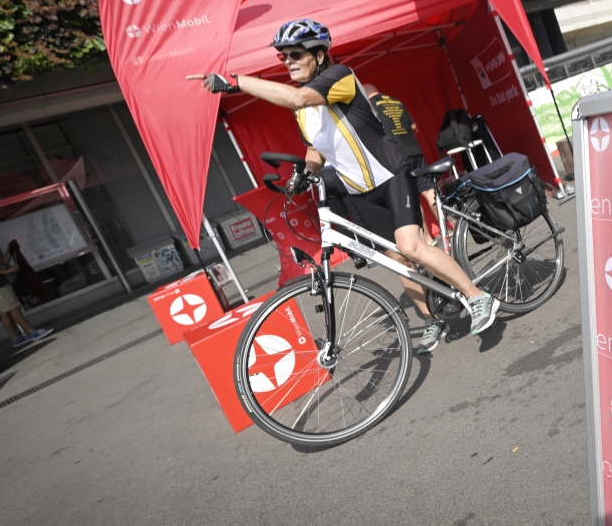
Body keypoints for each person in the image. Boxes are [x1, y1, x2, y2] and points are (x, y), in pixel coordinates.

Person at [188, 19, 497, 353]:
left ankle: (478, 297)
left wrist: (236, 82)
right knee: (396, 259)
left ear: (320, 55)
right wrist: (304, 172)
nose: (288, 61)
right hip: (359, 191)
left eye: (296, 53)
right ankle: (431, 319)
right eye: (283, 57)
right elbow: (315, 148)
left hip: (390, 175)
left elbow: (298, 99)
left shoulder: (339, 77)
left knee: (411, 246)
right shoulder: (303, 110)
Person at [361, 84, 441, 241]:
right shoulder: (395, 101)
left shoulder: (370, 106)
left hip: (396, 156)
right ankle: (446, 227)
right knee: (429, 190)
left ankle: (427, 237)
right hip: (415, 150)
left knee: (410, 196)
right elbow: (413, 126)